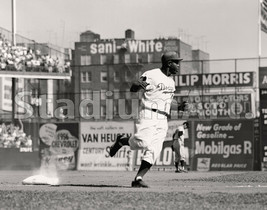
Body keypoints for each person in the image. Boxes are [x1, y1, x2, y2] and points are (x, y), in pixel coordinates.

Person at [109, 51, 188, 188]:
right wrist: (137, 84)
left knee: (155, 149)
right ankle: (121, 141)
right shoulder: (152, 75)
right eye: (176, 62)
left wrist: (179, 106)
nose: (178, 65)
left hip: (163, 118)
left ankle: (138, 178)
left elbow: (168, 102)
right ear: (169, 63)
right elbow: (134, 88)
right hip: (148, 114)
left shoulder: (171, 81)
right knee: (142, 142)